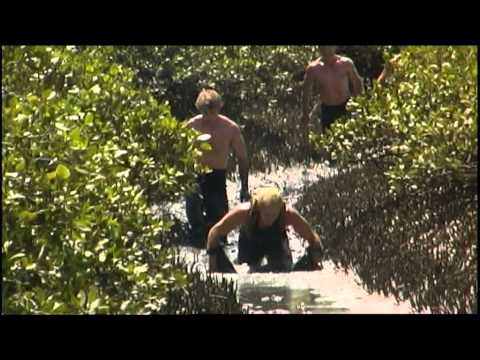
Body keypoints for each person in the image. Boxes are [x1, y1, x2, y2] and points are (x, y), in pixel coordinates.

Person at [185, 89, 250, 248]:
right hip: (195, 174)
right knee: (194, 208)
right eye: (205, 112)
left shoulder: (230, 128)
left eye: (212, 112)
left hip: (217, 176)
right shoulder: (192, 125)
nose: (209, 117)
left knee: (220, 226)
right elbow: (178, 152)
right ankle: (197, 240)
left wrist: (244, 187)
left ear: (219, 108)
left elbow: (242, 158)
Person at [206, 186, 324, 273]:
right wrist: (212, 266)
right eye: (266, 214)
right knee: (247, 271)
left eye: (274, 214)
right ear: (258, 209)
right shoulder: (244, 213)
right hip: (250, 240)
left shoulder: (288, 215)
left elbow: (312, 237)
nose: (270, 218)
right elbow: (215, 232)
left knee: (283, 270)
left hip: (275, 241)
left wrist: (317, 262)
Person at [302, 46, 364, 134]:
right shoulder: (313, 69)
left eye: (329, 47)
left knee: (350, 135)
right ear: (319, 49)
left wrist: (361, 105)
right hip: (328, 110)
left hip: (346, 107)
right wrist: (305, 113)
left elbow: (357, 83)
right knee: (329, 139)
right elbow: (306, 92)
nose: (327, 51)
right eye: (323, 48)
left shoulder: (346, 63)